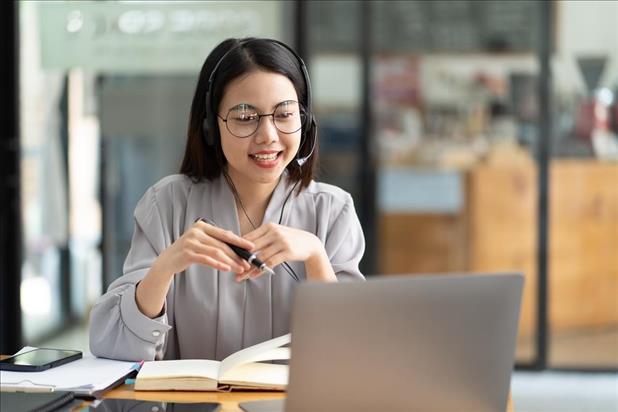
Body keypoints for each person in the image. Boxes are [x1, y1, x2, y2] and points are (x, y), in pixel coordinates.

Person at [89, 38, 365, 362]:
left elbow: (353, 354)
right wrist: (165, 267)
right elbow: (111, 344)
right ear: (210, 127)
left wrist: (316, 256)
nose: (268, 136)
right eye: (245, 117)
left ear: (305, 122)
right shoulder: (165, 204)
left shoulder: (333, 211)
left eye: (284, 114)